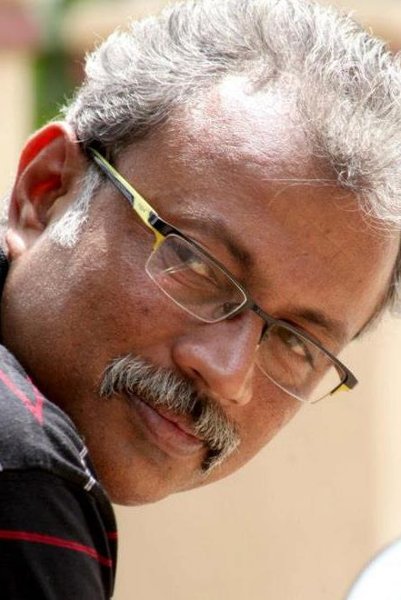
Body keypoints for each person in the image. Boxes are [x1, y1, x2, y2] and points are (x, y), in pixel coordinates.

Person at [1, 0, 401, 597]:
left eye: (297, 342)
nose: (228, 373)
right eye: (197, 264)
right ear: (47, 190)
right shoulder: (22, 477)